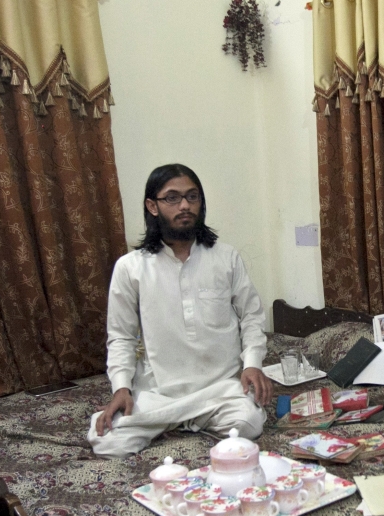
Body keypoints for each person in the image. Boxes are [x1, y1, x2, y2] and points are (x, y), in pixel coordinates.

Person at [87, 164, 272, 458]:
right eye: (172, 198)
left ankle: (176, 421)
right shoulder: (131, 267)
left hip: (219, 390)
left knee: (248, 423)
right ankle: (182, 418)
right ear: (153, 206)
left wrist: (252, 364)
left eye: (192, 196)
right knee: (106, 441)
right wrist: (121, 388)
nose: (185, 205)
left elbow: (251, 316)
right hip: (159, 392)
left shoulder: (226, 257)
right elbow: (121, 336)